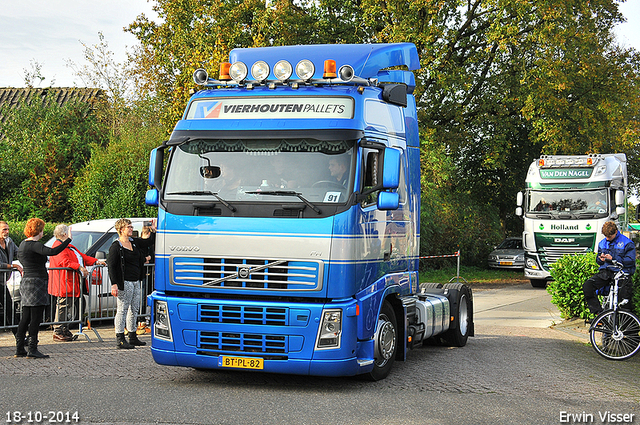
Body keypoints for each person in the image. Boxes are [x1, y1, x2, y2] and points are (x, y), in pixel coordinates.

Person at [15, 218, 71, 358]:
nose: (43, 232)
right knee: (36, 317)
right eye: (42, 230)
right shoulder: (34, 245)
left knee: (26, 316)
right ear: (38, 230)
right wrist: (68, 240)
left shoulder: (22, 244)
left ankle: (20, 348)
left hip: (27, 281)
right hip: (36, 282)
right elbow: (53, 251)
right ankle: (32, 349)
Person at [48, 224, 106, 342]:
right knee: (63, 306)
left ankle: (64, 328)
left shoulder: (68, 246)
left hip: (71, 282)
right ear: (65, 234)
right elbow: (64, 262)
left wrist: (95, 261)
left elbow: (82, 257)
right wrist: (79, 267)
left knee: (67, 306)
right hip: (64, 281)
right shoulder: (58, 246)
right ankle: (58, 330)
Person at [107, 219, 155, 349]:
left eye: (131, 226)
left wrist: (153, 230)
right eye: (128, 227)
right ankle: (120, 338)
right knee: (122, 309)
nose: (131, 229)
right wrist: (114, 284)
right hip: (125, 281)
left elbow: (148, 242)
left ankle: (132, 335)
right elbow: (111, 265)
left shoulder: (133, 242)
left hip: (135, 280)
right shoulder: (116, 246)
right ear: (121, 229)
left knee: (134, 309)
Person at [583, 221, 636, 321]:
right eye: (605, 236)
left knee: (624, 305)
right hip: (606, 273)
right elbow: (598, 261)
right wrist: (600, 259)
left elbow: (631, 261)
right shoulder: (602, 243)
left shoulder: (627, 243)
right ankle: (599, 315)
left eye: (609, 236)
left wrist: (614, 258)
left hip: (621, 274)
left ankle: (628, 334)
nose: (607, 238)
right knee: (588, 286)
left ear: (616, 232)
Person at [0, 221, 23, 332]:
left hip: (2, 282)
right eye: (4, 229)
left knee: (10, 309)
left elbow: (19, 253)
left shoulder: (9, 242)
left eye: (8, 229)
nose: (7, 232)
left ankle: (20, 337)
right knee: (9, 308)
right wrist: (12, 265)